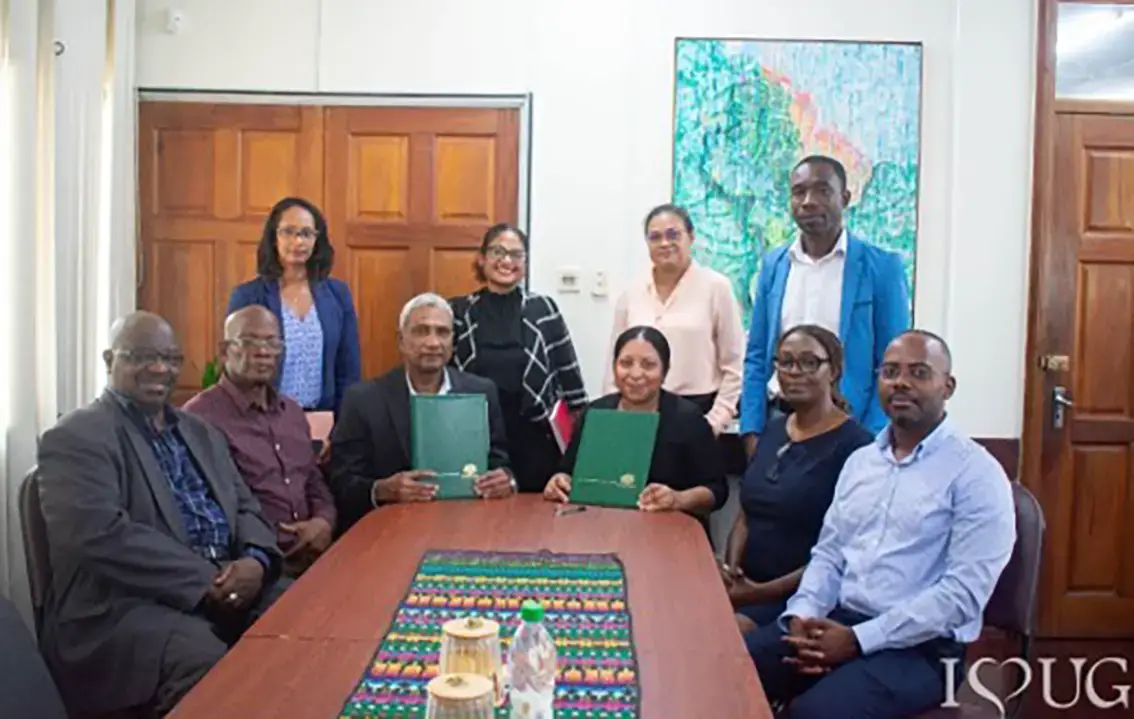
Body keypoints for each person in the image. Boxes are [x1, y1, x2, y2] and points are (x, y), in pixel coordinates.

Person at [745, 330, 1016, 719]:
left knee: (814, 714)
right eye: (890, 371)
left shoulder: (976, 474)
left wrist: (858, 640)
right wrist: (802, 616)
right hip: (837, 621)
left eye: (919, 372)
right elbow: (829, 555)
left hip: (922, 650)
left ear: (948, 386)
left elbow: (961, 596)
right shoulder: (862, 462)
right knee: (735, 668)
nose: (901, 382)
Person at [35, 312, 286, 718]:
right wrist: (207, 581)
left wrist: (255, 561)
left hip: (223, 582)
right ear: (108, 359)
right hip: (125, 607)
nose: (159, 368)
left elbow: (245, 506)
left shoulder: (199, 431)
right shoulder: (75, 436)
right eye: (141, 356)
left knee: (307, 618)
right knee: (202, 659)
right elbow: (101, 536)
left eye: (170, 359)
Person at [740, 155, 910, 454]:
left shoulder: (881, 268)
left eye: (822, 190)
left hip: (849, 425)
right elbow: (756, 356)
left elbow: (892, 366)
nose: (808, 201)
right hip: (780, 420)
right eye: (798, 192)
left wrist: (869, 438)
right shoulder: (774, 266)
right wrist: (752, 429)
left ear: (844, 198)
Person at [722, 325, 872, 629]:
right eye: (786, 362)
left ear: (834, 370)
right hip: (746, 587)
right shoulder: (774, 429)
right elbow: (746, 514)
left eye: (809, 362)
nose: (795, 371)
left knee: (723, 634)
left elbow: (842, 552)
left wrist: (755, 594)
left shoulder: (857, 446)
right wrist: (731, 569)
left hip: (803, 598)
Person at [329, 293, 515, 531]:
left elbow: (501, 463)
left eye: (442, 332)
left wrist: (505, 480)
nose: (433, 342)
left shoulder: (481, 392)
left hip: (467, 528)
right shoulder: (364, 400)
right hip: (391, 532)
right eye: (421, 331)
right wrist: (382, 490)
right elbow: (341, 481)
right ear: (401, 340)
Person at [184, 306, 337, 576]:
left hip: (317, 554)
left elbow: (313, 480)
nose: (264, 352)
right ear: (224, 351)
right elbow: (211, 508)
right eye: (249, 341)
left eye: (272, 342)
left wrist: (323, 521)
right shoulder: (198, 419)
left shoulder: (291, 412)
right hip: (256, 567)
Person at [450, 223, 588, 492]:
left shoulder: (544, 308)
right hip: (477, 433)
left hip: (534, 435)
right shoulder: (458, 311)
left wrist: (582, 427)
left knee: (534, 520)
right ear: (482, 258)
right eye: (498, 252)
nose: (506, 261)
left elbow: (567, 370)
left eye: (516, 254)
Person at [545, 326, 727, 528]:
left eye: (648, 365)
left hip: (668, 533)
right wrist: (559, 482)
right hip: (598, 529)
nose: (636, 374)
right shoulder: (595, 413)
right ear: (614, 368)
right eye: (626, 363)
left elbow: (716, 491)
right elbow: (566, 472)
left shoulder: (687, 418)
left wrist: (678, 499)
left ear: (665, 371)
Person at [606, 204, 744, 435]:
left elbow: (734, 366)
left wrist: (716, 420)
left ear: (691, 237)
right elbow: (614, 364)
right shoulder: (631, 293)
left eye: (673, 235)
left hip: (697, 411)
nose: (664, 243)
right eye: (655, 237)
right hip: (638, 413)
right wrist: (614, 418)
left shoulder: (716, 288)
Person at [227, 196, 360, 415]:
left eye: (306, 234)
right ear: (274, 238)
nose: (298, 242)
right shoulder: (248, 296)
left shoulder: (338, 295)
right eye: (288, 232)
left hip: (322, 420)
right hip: (264, 420)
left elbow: (348, 370)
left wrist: (340, 425)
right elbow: (237, 371)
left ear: (317, 240)